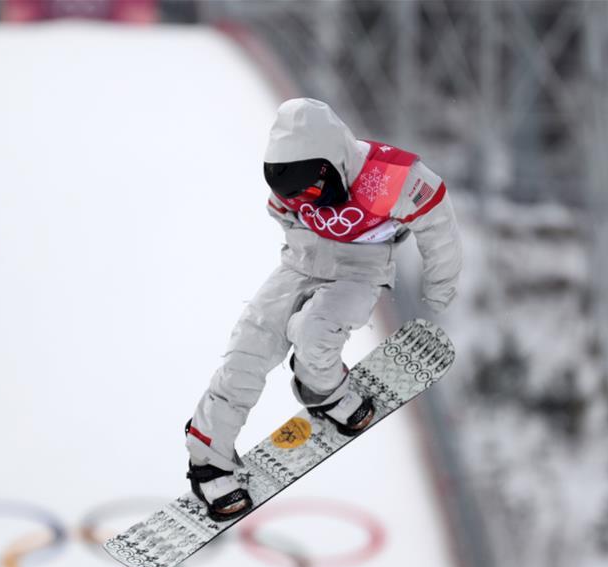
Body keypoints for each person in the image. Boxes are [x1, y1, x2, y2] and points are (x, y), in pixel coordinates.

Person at [184, 98, 462, 522]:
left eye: (313, 190)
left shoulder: (393, 177)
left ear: (332, 163)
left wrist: (440, 285)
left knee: (315, 331)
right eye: (295, 196)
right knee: (247, 347)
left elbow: (438, 225)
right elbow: (285, 214)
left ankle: (323, 390)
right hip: (301, 261)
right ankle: (208, 459)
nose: (308, 201)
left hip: (359, 269)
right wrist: (300, 235)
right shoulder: (293, 190)